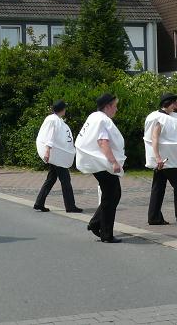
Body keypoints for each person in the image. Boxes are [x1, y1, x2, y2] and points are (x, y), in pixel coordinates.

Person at [76, 93, 126, 243]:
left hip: (97, 163)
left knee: (113, 194)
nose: (116, 109)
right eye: (115, 105)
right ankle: (105, 233)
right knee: (111, 195)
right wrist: (113, 162)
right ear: (107, 106)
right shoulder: (102, 120)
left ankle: (96, 223)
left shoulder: (94, 117)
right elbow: (102, 142)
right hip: (102, 163)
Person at [145, 93, 177, 226]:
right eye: (174, 103)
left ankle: (154, 217)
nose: (176, 105)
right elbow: (154, 138)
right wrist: (157, 157)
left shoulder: (170, 116)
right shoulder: (160, 118)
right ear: (167, 103)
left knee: (158, 187)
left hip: (165, 160)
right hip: (166, 160)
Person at [33, 100, 83, 213]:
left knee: (51, 179)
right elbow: (50, 136)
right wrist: (47, 151)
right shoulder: (54, 120)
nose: (66, 110)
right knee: (66, 180)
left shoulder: (55, 119)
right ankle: (70, 206)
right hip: (56, 155)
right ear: (62, 109)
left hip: (56, 155)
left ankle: (39, 203)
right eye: (65, 108)